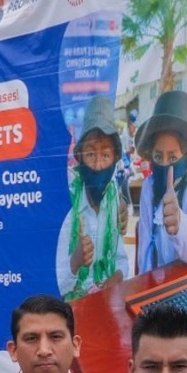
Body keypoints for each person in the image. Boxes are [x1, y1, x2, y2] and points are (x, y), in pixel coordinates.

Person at [56, 96, 131, 298]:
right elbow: (55, 284)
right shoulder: (67, 203)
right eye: (90, 155)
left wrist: (117, 276)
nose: (98, 166)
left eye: (105, 156)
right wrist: (75, 263)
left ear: (115, 158)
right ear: (79, 157)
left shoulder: (113, 200)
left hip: (106, 301)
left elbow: (121, 260)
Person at [133, 89, 187, 274]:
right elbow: (145, 247)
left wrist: (179, 222)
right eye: (158, 157)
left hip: (182, 285)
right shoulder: (149, 187)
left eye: (173, 158)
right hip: (153, 283)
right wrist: (144, 283)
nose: (165, 164)